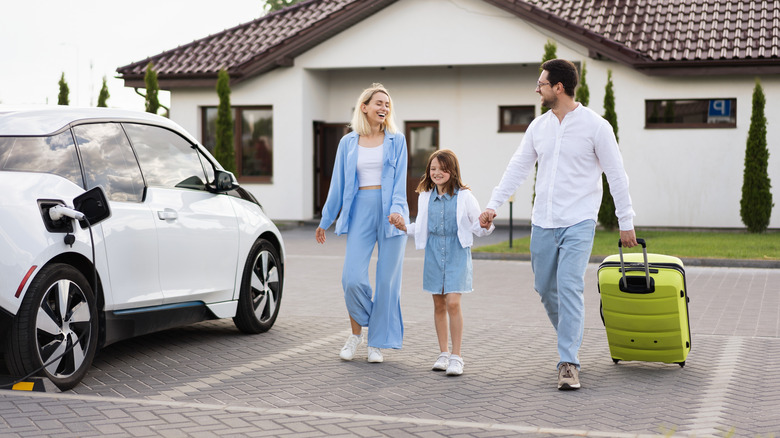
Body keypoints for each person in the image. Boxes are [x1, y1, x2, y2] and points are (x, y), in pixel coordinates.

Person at [479, 59, 638, 390]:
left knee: (569, 286)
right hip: (543, 222)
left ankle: (568, 361)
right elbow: (518, 167)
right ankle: (572, 335)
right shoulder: (539, 127)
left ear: (558, 88)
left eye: (541, 84)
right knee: (545, 288)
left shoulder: (597, 127)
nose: (537, 89)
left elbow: (616, 175)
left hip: (578, 221)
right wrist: (493, 203)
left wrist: (626, 221)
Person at [316, 83, 409, 364]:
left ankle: (376, 342)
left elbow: (400, 183)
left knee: (386, 281)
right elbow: (337, 184)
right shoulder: (348, 142)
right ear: (364, 107)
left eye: (387, 104)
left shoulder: (397, 140)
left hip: (392, 213)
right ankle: (359, 333)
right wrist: (326, 219)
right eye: (378, 103)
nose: (384, 108)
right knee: (352, 278)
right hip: (360, 211)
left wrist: (396, 211)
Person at [390, 149, 493, 376]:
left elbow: (477, 226)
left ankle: (457, 357)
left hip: (457, 252)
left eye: (442, 168)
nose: (437, 173)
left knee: (453, 303)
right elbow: (422, 227)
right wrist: (404, 226)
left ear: (452, 170)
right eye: (433, 168)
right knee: (438, 305)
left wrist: (485, 224)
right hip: (434, 254)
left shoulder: (465, 197)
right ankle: (443, 354)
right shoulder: (425, 197)